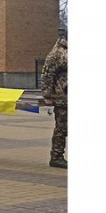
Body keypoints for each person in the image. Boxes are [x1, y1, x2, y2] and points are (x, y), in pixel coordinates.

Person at [41, 32, 68, 169]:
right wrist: (47, 95)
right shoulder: (58, 52)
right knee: (62, 128)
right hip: (63, 97)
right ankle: (57, 157)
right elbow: (47, 74)